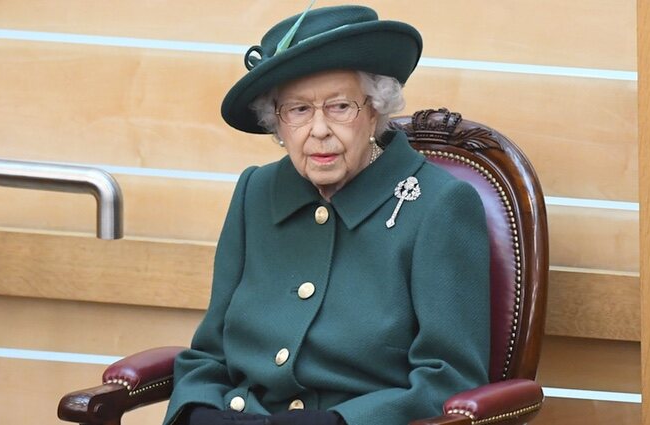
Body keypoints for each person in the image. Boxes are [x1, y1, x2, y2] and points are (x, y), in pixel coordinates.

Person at [164, 4, 490, 425]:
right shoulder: (256, 192)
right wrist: (198, 411)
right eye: (298, 110)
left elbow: (451, 381)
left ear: (375, 110)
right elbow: (210, 353)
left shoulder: (439, 205)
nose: (318, 130)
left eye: (339, 107)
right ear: (277, 124)